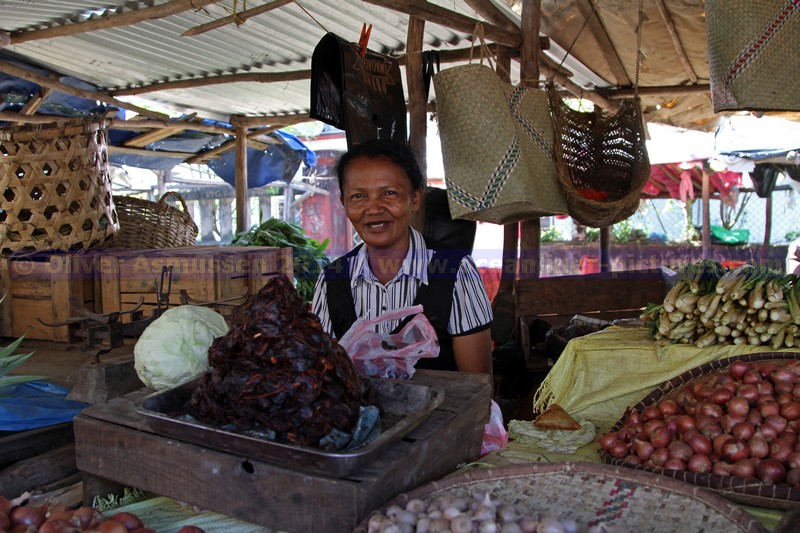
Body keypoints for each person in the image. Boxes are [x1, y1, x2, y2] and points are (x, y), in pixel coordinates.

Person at [312, 138, 493, 375]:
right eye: (358, 196)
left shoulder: (457, 272)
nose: (374, 209)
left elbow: (477, 385)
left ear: (415, 199)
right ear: (344, 203)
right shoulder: (330, 281)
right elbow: (323, 376)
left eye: (389, 193)